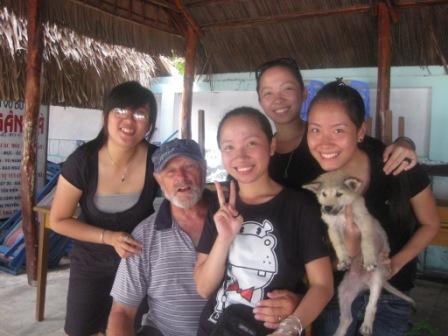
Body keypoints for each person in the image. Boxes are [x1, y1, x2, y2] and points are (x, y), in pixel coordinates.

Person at [107, 138, 298, 336]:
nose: (181, 177)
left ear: (204, 169)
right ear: (158, 179)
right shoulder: (144, 236)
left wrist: (295, 301)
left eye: (189, 166)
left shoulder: (242, 218)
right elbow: (122, 311)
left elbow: (294, 276)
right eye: (170, 171)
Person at [305, 80, 440, 335]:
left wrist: (396, 264)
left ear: (360, 131)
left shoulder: (397, 166)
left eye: (338, 130)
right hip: (337, 295)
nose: (324, 143)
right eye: (315, 130)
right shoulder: (313, 181)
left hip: (387, 298)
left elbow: (431, 224)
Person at [194, 107, 334, 336]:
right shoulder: (219, 208)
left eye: (251, 143)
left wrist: (292, 326)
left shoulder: (300, 207)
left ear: (271, 146)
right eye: (229, 147)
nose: (241, 156)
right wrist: (224, 238)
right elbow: (203, 287)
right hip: (215, 329)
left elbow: (323, 286)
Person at [50, 81, 159, 336]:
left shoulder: (157, 160)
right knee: (81, 330)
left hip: (136, 263)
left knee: (127, 329)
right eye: (120, 110)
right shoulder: (83, 161)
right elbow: (58, 220)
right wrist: (109, 238)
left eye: (140, 114)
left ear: (150, 123)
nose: (129, 121)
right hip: (90, 262)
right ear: (106, 115)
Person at [255, 57, 419, 190]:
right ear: (260, 101)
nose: (278, 99)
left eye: (287, 89)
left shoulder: (328, 140)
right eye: (268, 93)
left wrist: (404, 143)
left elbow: (376, 150)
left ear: (304, 93)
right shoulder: (260, 152)